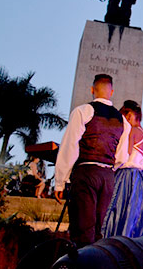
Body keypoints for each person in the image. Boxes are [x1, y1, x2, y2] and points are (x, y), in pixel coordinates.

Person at [55, 74, 129, 246]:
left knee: (82, 229)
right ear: (112, 92)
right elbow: (121, 157)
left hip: (87, 172)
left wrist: (60, 182)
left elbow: (69, 147)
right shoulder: (123, 121)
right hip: (107, 176)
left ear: (92, 90)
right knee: (97, 229)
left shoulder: (83, 111)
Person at [101, 100, 143, 238]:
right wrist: (142, 168)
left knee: (118, 211)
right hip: (142, 181)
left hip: (127, 176)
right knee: (137, 217)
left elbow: (123, 156)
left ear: (128, 116)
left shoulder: (131, 131)